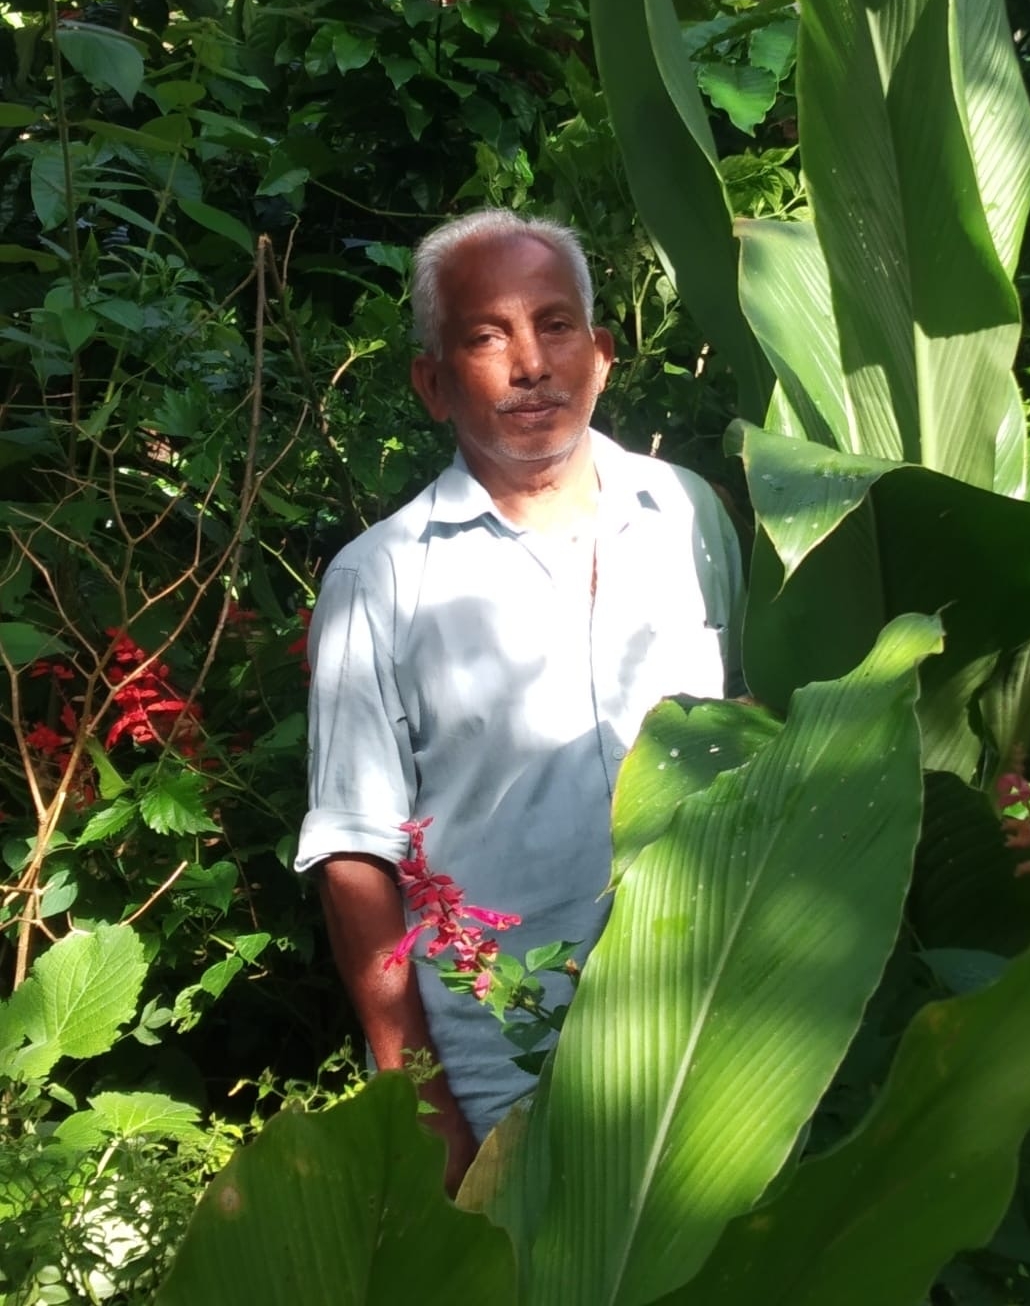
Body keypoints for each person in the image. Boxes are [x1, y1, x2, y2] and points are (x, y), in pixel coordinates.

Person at [295, 208, 744, 1190]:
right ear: (433, 382)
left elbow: (747, 749)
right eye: (485, 335)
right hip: (512, 1074)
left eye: (554, 324)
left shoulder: (688, 514)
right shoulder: (380, 580)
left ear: (603, 352)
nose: (530, 363)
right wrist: (426, 1110)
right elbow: (356, 859)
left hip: (713, 1038)